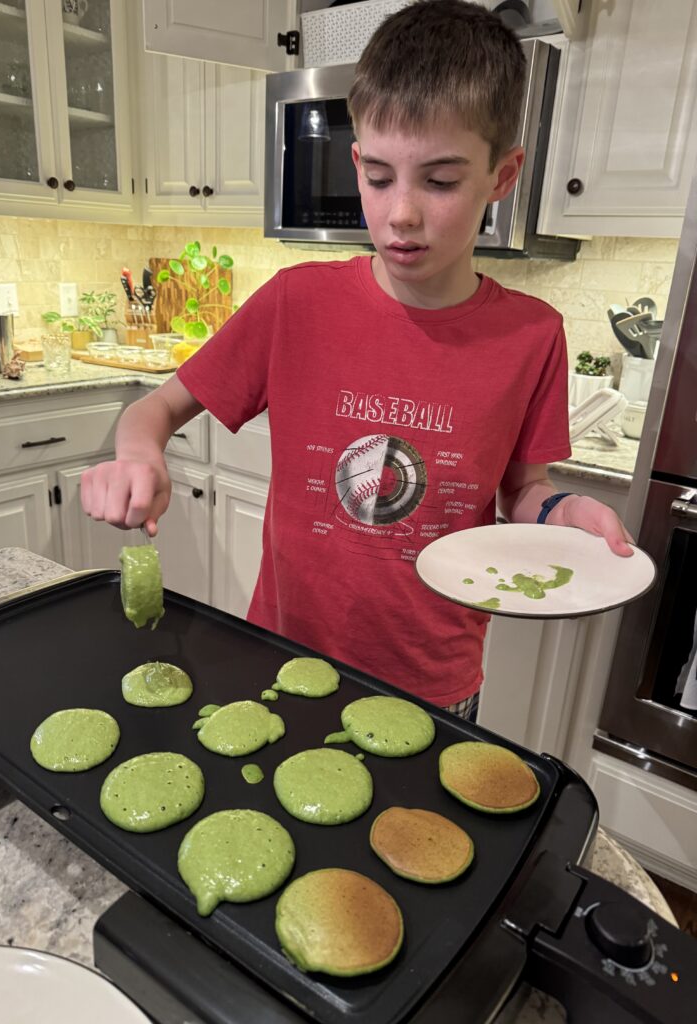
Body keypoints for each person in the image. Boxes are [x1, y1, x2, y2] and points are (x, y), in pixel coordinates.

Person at [81, 0, 633, 720]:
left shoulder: (532, 336)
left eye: (439, 181)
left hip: (433, 684)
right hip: (280, 657)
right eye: (379, 176)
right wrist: (138, 455)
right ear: (356, 164)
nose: (401, 212)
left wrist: (561, 508)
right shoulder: (294, 305)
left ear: (502, 176)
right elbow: (155, 410)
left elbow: (522, 494)